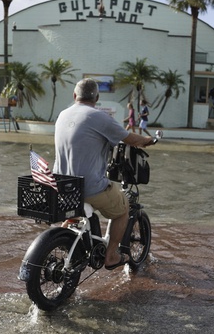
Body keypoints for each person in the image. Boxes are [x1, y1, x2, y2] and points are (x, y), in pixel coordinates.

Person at [54, 78, 153, 270]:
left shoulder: (63, 114)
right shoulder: (98, 117)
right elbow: (131, 139)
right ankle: (111, 255)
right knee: (122, 209)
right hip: (88, 186)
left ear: (75, 96)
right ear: (97, 98)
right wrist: (148, 140)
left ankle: (63, 238)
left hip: (62, 184)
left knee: (77, 209)